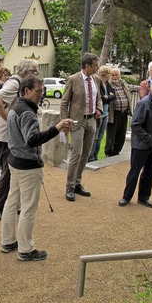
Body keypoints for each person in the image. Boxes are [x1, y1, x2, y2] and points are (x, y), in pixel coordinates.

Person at [1, 75, 73, 261]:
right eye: (39, 91)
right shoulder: (27, 112)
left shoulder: (15, 107)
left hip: (14, 160)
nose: (41, 94)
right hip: (27, 165)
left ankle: (8, 241)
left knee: (12, 201)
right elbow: (32, 140)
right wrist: (56, 128)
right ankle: (26, 249)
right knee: (28, 208)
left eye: (42, 91)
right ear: (27, 91)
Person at [0, 59, 40, 219]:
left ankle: (11, 206)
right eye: (35, 72)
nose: (36, 76)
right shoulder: (14, 84)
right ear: (26, 72)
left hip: (7, 135)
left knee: (11, 173)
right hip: (5, 136)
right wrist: (7, 119)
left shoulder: (17, 83)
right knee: (7, 173)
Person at [118, 80, 152, 208]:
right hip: (141, 146)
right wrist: (148, 138)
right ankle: (126, 197)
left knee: (151, 171)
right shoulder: (144, 103)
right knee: (135, 171)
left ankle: (144, 197)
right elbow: (135, 124)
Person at [60, 53, 103, 201]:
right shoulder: (73, 79)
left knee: (86, 154)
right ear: (87, 66)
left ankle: (77, 183)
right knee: (76, 154)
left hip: (91, 121)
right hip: (77, 122)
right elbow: (64, 102)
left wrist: (99, 109)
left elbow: (99, 98)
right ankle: (69, 186)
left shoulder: (96, 79)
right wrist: (65, 121)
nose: (97, 68)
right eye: (95, 65)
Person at [88, 65, 115, 162]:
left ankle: (95, 155)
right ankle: (90, 156)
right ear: (105, 74)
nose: (110, 76)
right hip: (99, 113)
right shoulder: (97, 83)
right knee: (95, 136)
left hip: (106, 112)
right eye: (109, 74)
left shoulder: (108, 84)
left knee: (100, 136)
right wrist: (107, 97)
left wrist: (107, 97)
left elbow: (113, 96)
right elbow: (99, 97)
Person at [105, 67, 132, 157]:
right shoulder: (108, 85)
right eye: (112, 75)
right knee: (112, 133)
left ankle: (117, 151)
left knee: (122, 133)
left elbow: (130, 89)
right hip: (114, 113)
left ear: (119, 75)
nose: (114, 77)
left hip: (124, 112)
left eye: (116, 75)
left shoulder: (123, 83)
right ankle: (109, 151)